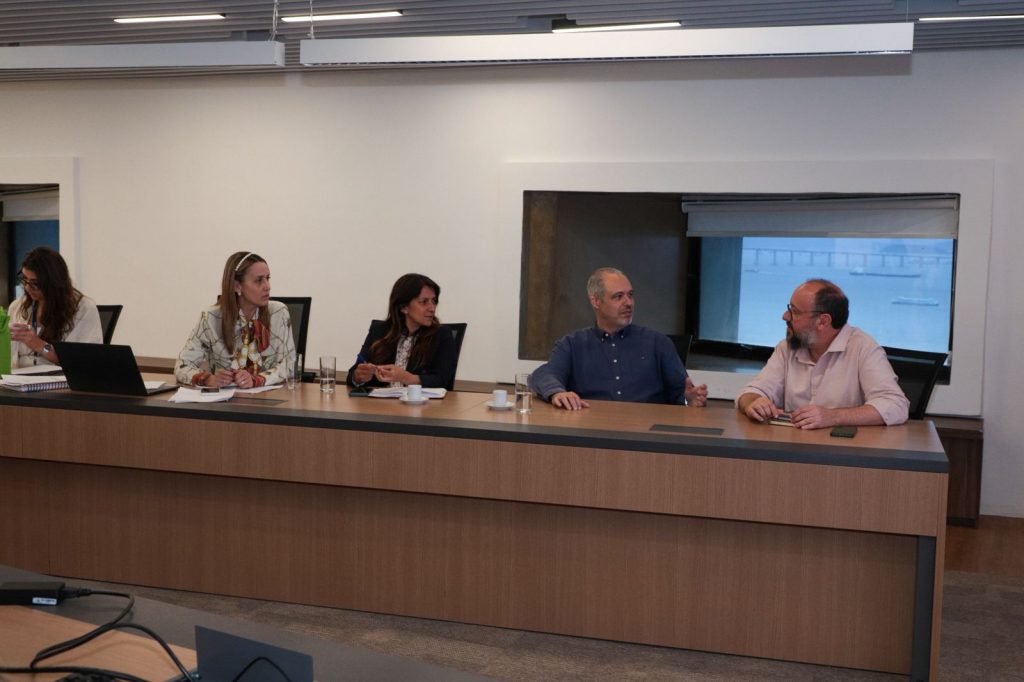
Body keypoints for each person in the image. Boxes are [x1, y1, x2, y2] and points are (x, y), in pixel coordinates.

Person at [736, 278, 909, 429]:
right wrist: (753, 403)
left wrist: (833, 417)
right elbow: (752, 391)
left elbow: (895, 405)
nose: (785, 316)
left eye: (795, 311)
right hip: (792, 446)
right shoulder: (786, 348)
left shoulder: (863, 347)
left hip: (844, 452)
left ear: (822, 321)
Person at [530, 267, 708, 410]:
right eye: (618, 296)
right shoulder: (572, 344)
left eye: (630, 295)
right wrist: (557, 392)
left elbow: (681, 394)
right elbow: (543, 375)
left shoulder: (657, 343)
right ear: (596, 301)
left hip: (646, 433)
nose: (628, 303)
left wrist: (689, 399)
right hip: (591, 429)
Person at [175, 251, 295, 389]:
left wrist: (258, 380)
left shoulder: (279, 312)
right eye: (259, 280)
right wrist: (208, 379)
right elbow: (182, 366)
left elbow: (289, 365)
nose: (267, 286)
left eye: (268, 278)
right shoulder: (211, 318)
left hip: (270, 398)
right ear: (237, 286)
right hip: (224, 399)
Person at [347, 273, 457, 390]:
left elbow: (442, 380)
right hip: (380, 401)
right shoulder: (380, 331)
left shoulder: (441, 335)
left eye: (434, 301)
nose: (432, 308)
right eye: (424, 301)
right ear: (404, 307)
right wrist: (358, 376)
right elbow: (352, 376)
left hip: (419, 401)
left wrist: (408, 378)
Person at [7, 246, 102, 367]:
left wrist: (40, 345)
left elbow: (81, 361)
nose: (27, 288)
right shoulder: (17, 307)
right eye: (24, 279)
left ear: (54, 282)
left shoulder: (83, 309)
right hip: (18, 375)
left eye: (35, 283)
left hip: (58, 376)